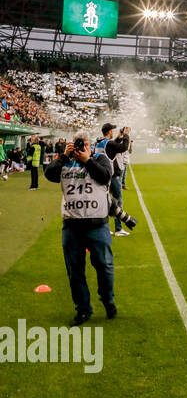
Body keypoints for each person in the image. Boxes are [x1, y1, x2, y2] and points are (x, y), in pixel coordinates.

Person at [45, 135, 116, 326]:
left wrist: (87, 160)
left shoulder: (100, 160)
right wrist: (64, 157)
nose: (80, 148)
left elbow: (104, 177)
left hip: (97, 224)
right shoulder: (66, 162)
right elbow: (49, 174)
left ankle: (108, 300)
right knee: (75, 272)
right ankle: (83, 309)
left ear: (91, 146)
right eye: (77, 145)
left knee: (105, 266)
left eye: (84, 145)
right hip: (72, 225)